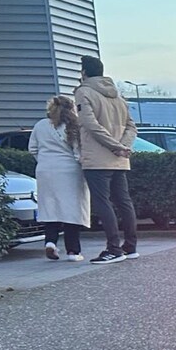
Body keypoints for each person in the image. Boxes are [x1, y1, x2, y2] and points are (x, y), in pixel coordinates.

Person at [75, 55, 139, 264]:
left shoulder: (83, 92)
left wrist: (115, 146)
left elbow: (90, 125)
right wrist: (123, 146)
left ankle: (113, 249)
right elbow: (131, 126)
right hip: (120, 159)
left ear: (84, 72)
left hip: (97, 158)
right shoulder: (118, 96)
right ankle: (130, 246)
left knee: (103, 202)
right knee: (123, 201)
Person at [28, 96, 92, 261]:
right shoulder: (72, 126)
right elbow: (78, 153)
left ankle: (50, 242)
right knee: (72, 210)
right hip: (69, 171)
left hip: (45, 170)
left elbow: (32, 148)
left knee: (51, 208)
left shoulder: (40, 125)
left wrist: (43, 161)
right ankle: (73, 251)